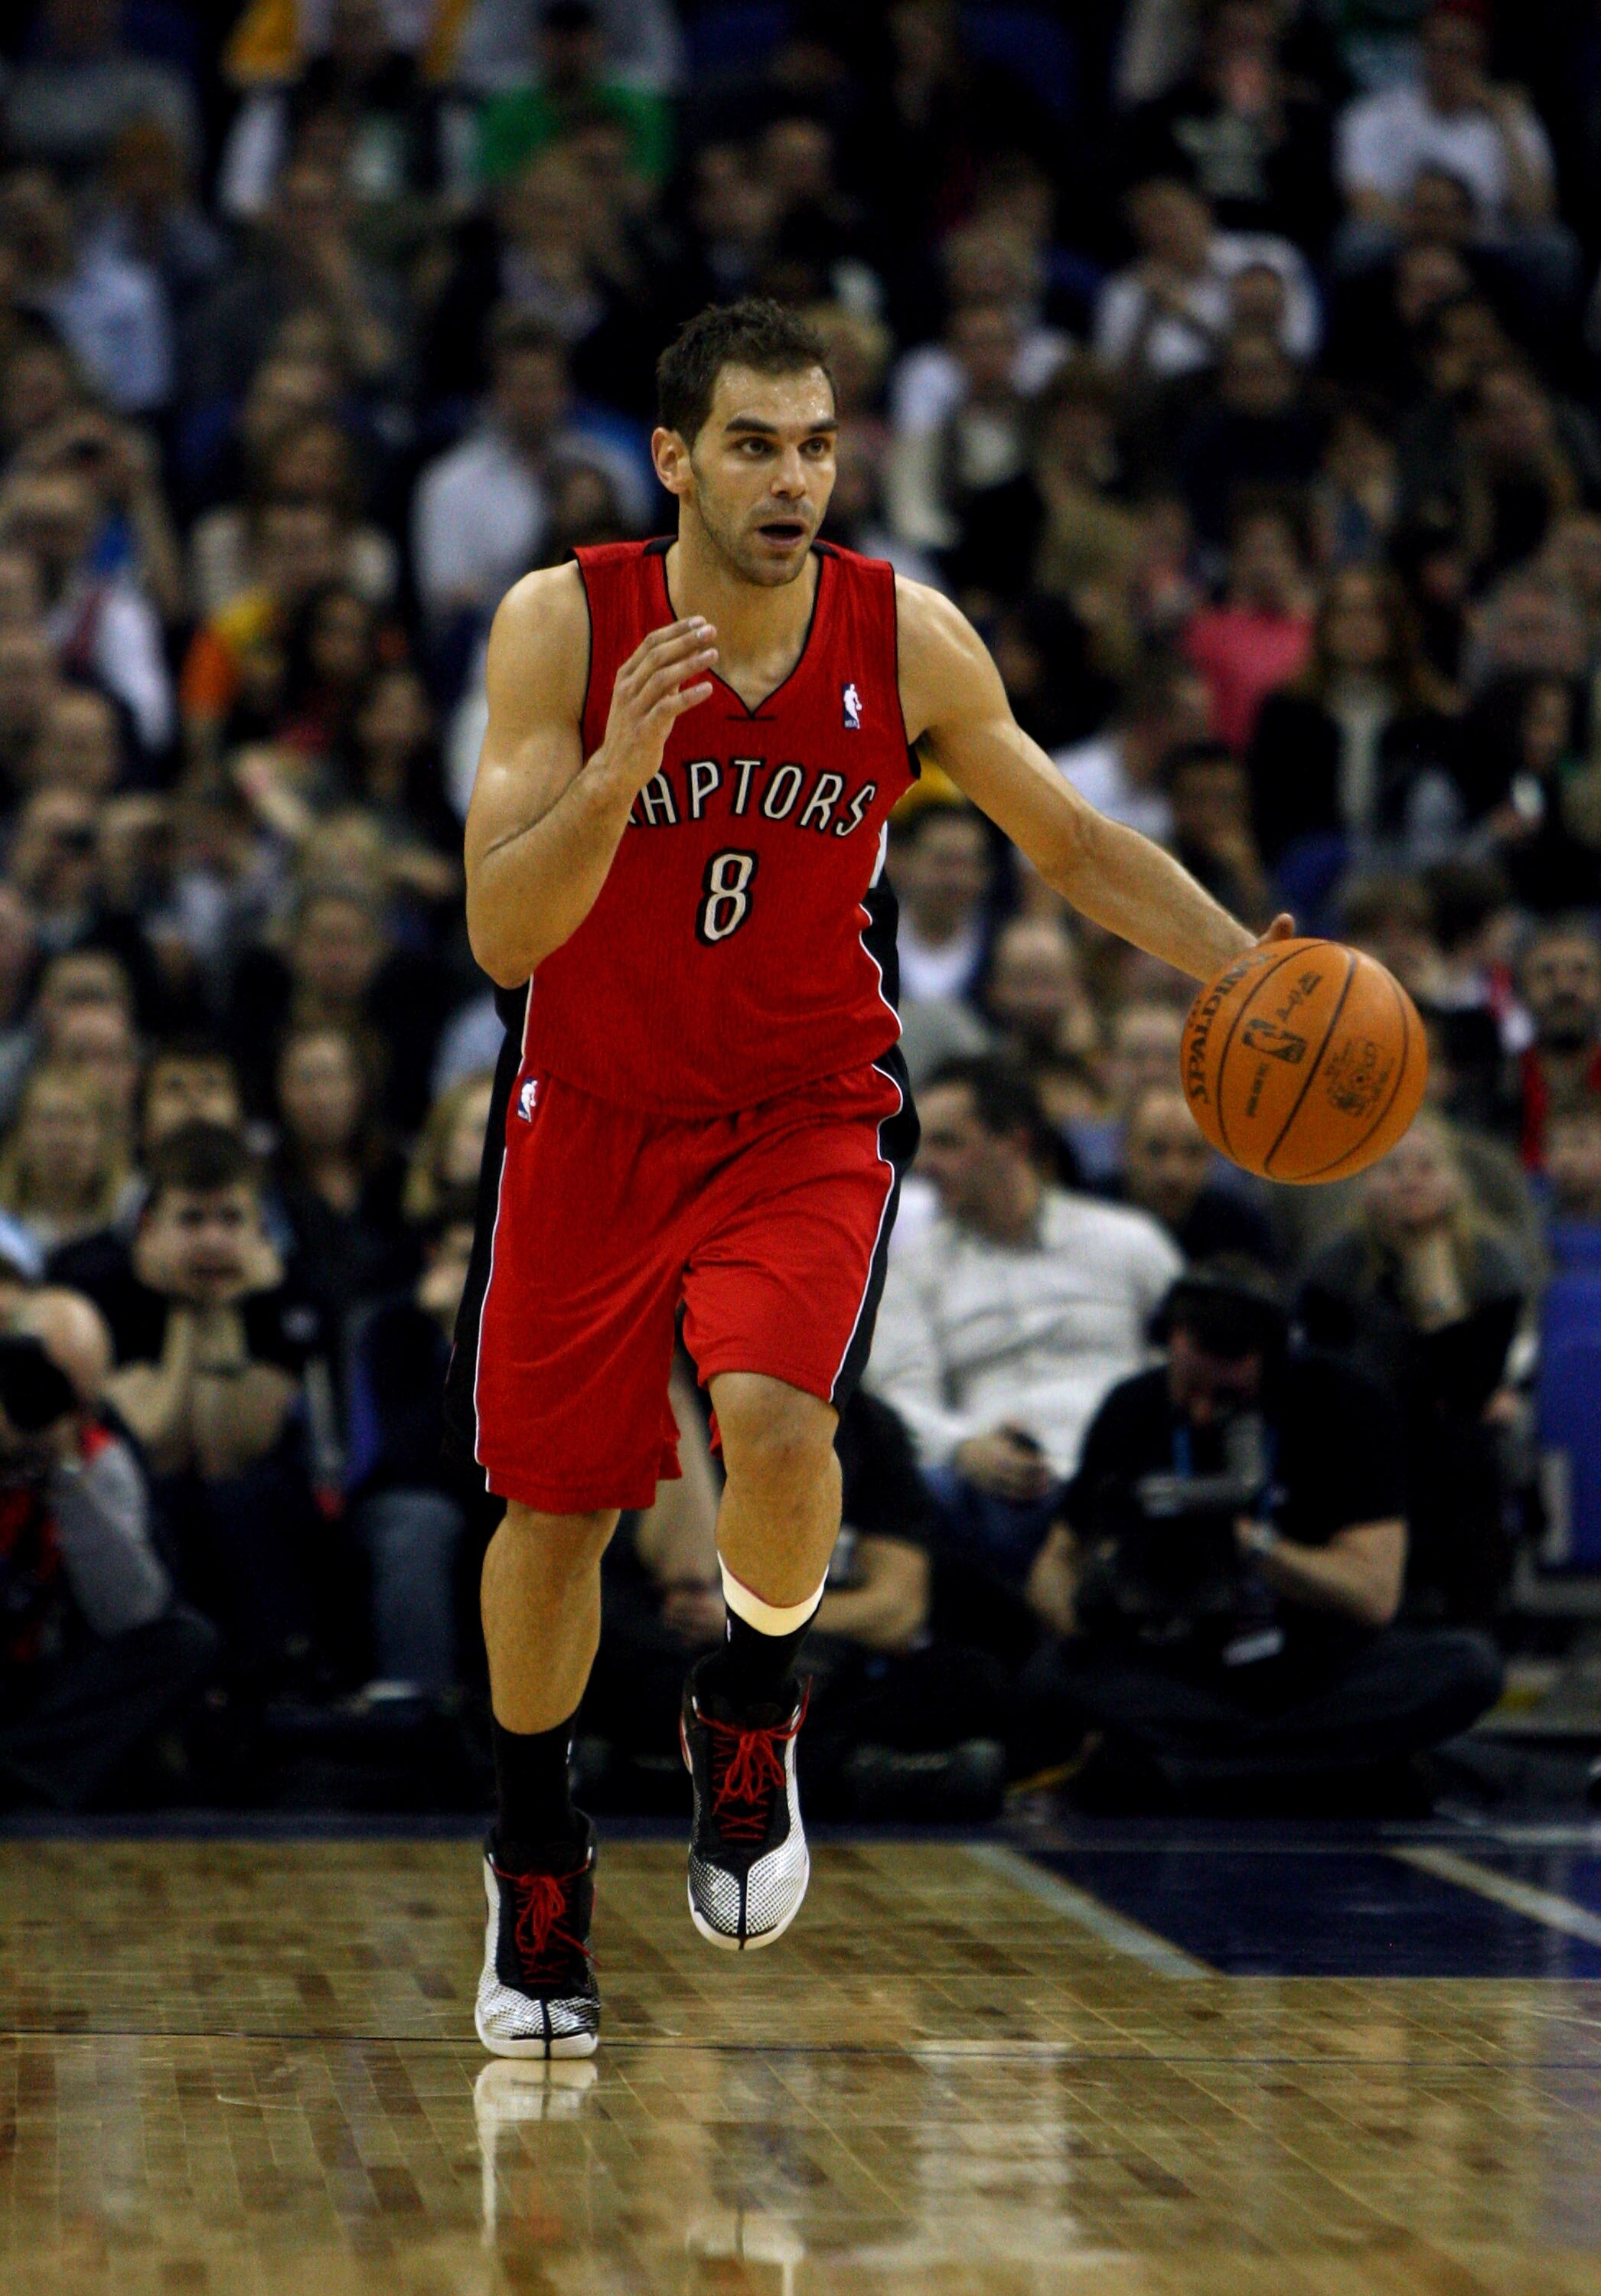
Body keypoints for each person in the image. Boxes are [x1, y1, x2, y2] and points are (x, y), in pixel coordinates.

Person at [454, 297, 1288, 2056]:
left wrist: (1236, 963)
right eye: (752, 443)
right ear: (674, 456)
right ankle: (534, 1853)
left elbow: (1061, 840)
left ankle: (749, 1704)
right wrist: (615, 769)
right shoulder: (561, 620)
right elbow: (499, 930)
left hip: (800, 1103)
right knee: (557, 1514)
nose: (792, 477)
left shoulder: (897, 633)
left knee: (777, 1420)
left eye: (817, 441)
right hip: (591, 1111)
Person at [1022, 1261, 1505, 1808]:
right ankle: (1328, 1775)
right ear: (1172, 1345)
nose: (1202, 1412)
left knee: (1468, 1667)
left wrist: (1252, 1547)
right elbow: (1051, 1568)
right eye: (1189, 1389)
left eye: (1224, 1394)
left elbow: (1373, 1597)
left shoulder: (1346, 1402)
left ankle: (1198, 1776)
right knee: (1051, 1679)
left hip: (1314, 1667)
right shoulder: (1132, 1407)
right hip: (1180, 1667)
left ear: (1271, 1362)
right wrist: (1086, 1610)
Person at [869, 1053, 1183, 1596]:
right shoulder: (911, 1271)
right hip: (994, 1487)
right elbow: (899, 1400)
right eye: (924, 1143)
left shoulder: (1127, 1241)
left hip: (1120, 1474)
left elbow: (1183, 1357)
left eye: (948, 1143)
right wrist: (964, 1448)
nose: (924, 1164)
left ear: (1014, 1144)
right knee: (928, 1493)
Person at [1299, 1114, 1531, 1622]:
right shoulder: (1334, 1268)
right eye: (1392, 1168)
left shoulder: (1492, 1266)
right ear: (1364, 1180)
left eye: (1427, 1167)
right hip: (1361, 1437)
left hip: (1450, 1448)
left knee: (1466, 1445)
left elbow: (1469, 1390)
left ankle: (1473, 1623)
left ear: (1455, 1181)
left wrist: (1434, 1281)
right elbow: (1327, 1383)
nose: (1410, 1179)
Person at [0, 1284, 217, 1811]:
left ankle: (21, 1776)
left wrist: (68, 1476)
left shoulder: (99, 1455)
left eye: (81, 1401)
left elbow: (130, 1614)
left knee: (184, 1642)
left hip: (48, 1682)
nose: (57, 1410)